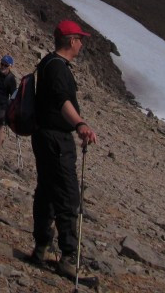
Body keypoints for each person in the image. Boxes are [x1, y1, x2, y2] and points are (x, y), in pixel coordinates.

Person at [30, 20, 98, 279]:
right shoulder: (57, 68)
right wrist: (80, 124)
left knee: (47, 190)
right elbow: (62, 101)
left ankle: (42, 247)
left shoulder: (48, 63)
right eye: (80, 39)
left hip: (44, 136)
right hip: (56, 139)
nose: (81, 44)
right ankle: (69, 257)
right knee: (68, 195)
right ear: (71, 41)